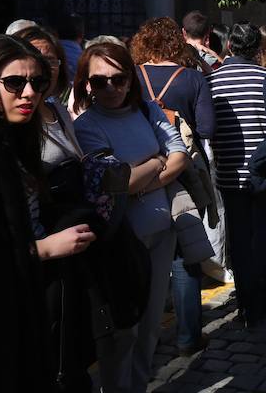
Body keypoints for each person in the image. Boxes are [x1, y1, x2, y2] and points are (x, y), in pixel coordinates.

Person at [0, 34, 96, 391]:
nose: (29, 92)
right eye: (15, 83)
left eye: (38, 82)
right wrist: (46, 247)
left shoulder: (20, 137)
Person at [73, 43, 189, 391]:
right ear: (86, 84)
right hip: (121, 242)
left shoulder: (148, 109)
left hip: (161, 233)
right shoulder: (86, 126)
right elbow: (111, 182)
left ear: (130, 79)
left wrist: (135, 179)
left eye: (118, 79)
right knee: (124, 332)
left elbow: (180, 155)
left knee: (152, 326)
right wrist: (155, 163)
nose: (110, 88)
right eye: (99, 81)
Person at [130, 17, 217, 355]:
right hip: (183, 171)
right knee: (185, 254)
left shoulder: (133, 76)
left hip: (142, 169)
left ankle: (145, 333)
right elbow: (207, 128)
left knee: (144, 247)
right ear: (177, 42)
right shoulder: (193, 78)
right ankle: (187, 337)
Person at [207, 22, 266, 333]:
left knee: (241, 244)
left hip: (229, 174)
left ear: (230, 47)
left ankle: (247, 306)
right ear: (258, 49)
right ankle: (265, 300)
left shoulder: (213, 80)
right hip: (261, 174)